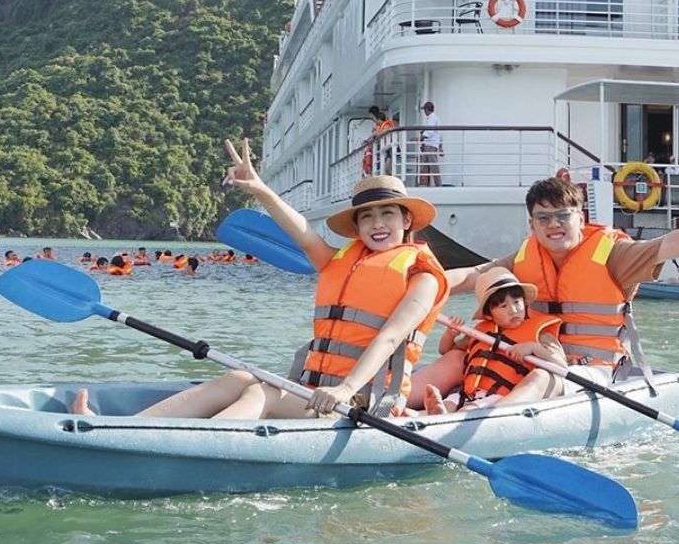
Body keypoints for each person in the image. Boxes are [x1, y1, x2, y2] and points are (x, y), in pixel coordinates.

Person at [73, 138, 449, 419]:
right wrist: (260, 189)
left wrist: (346, 389)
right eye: (367, 216)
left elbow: (390, 336)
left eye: (388, 214)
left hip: (363, 403)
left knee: (263, 397)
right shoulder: (342, 261)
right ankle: (132, 430)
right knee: (239, 379)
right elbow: (301, 231)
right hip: (314, 391)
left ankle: (184, 448)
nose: (377, 224)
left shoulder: (422, 276)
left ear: (406, 220)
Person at [430, 176, 679, 394]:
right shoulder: (525, 256)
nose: (553, 224)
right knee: (456, 357)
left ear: (580, 217)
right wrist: (424, 284)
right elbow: (474, 275)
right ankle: (391, 403)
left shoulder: (613, 254)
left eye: (562, 215)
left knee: (544, 377)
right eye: (543, 217)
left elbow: (672, 243)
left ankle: (479, 421)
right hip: (528, 355)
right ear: (532, 224)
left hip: (590, 368)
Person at [423, 268, 565, 414]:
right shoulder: (480, 332)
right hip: (468, 393)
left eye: (517, 302)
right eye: (503, 306)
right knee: (450, 402)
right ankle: (433, 414)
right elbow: (445, 351)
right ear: (489, 315)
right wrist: (450, 335)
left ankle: (447, 418)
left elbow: (561, 365)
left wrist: (534, 348)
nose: (513, 310)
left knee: (467, 409)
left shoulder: (540, 335)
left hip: (498, 396)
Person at [362, 105, 396, 175]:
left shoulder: (386, 125)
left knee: (387, 167)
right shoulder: (381, 125)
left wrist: (374, 135)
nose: (375, 122)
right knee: (383, 166)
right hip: (383, 148)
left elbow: (382, 132)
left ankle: (390, 179)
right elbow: (376, 133)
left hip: (389, 147)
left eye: (376, 120)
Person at [418, 100, 443, 187]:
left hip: (431, 145)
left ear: (427, 109)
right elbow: (440, 133)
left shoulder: (432, 118)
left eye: (424, 109)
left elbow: (430, 132)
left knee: (433, 166)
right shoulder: (436, 118)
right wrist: (440, 146)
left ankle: (438, 184)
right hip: (432, 144)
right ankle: (422, 183)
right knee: (424, 165)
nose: (424, 112)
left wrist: (419, 138)